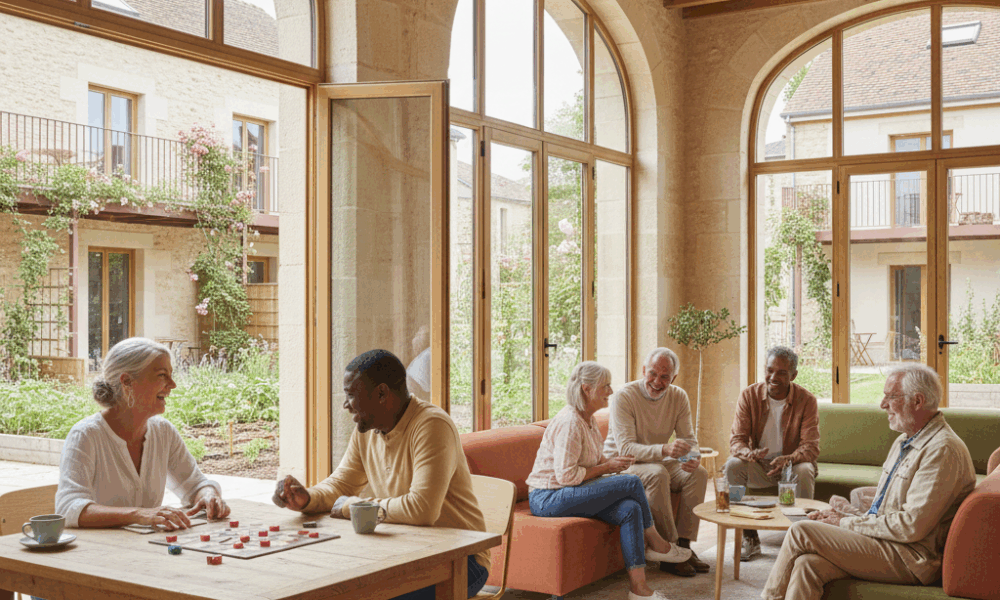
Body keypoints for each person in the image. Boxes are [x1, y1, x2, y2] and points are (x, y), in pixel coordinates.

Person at [273, 349, 489, 600]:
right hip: (405, 553)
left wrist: (352, 507)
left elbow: (422, 509)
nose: (345, 405)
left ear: (382, 393)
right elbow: (341, 485)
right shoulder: (367, 431)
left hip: (460, 560)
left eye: (351, 395)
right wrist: (307, 498)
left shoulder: (431, 426)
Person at [761, 364, 976, 600]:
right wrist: (846, 515)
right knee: (807, 565)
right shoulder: (904, 441)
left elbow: (911, 526)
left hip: (911, 557)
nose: (882, 404)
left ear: (917, 401)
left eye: (890, 397)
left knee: (801, 531)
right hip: (888, 543)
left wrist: (845, 523)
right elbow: (886, 509)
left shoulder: (942, 450)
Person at [527, 361, 692, 600]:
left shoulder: (588, 419)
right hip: (547, 497)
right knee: (631, 482)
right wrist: (607, 467)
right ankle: (657, 543)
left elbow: (593, 459)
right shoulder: (570, 423)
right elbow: (566, 476)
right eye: (605, 386)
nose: (611, 391)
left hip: (569, 491)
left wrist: (614, 463)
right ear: (586, 389)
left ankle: (639, 589)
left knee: (630, 508)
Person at [56, 337, 230, 530]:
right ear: (127, 382)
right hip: (97, 548)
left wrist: (208, 495)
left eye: (171, 375)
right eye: (162, 375)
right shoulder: (86, 435)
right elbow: (68, 508)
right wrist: (139, 514)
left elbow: (195, 485)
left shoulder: (163, 432)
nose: (172, 384)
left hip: (146, 547)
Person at [603, 348, 710, 577]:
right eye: (652, 373)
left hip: (657, 460)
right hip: (622, 464)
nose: (657, 381)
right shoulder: (624, 396)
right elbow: (626, 449)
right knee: (657, 473)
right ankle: (669, 551)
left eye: (664, 377)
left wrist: (692, 457)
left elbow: (688, 439)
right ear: (643, 370)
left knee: (698, 473)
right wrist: (664, 449)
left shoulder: (678, 396)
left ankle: (685, 546)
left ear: (674, 378)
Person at [725, 345, 819, 562]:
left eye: (781, 373)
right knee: (733, 466)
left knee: (805, 470)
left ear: (793, 375)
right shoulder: (749, 395)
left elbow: (811, 447)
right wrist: (748, 453)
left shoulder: (806, 400)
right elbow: (737, 440)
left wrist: (789, 459)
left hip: (790, 468)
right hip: (759, 466)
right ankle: (748, 535)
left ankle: (797, 538)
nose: (773, 377)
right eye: (769, 370)